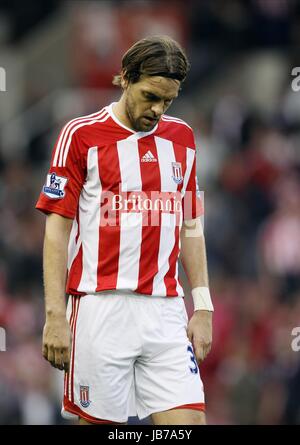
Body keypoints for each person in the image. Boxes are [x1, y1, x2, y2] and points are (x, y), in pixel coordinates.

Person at [36, 35, 213, 425]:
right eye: (150, 95)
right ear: (125, 78)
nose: (157, 109)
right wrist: (54, 316)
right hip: (100, 308)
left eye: (168, 101)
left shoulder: (183, 138)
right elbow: (55, 231)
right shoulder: (80, 136)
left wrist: (202, 306)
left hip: (166, 310)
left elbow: (191, 223)